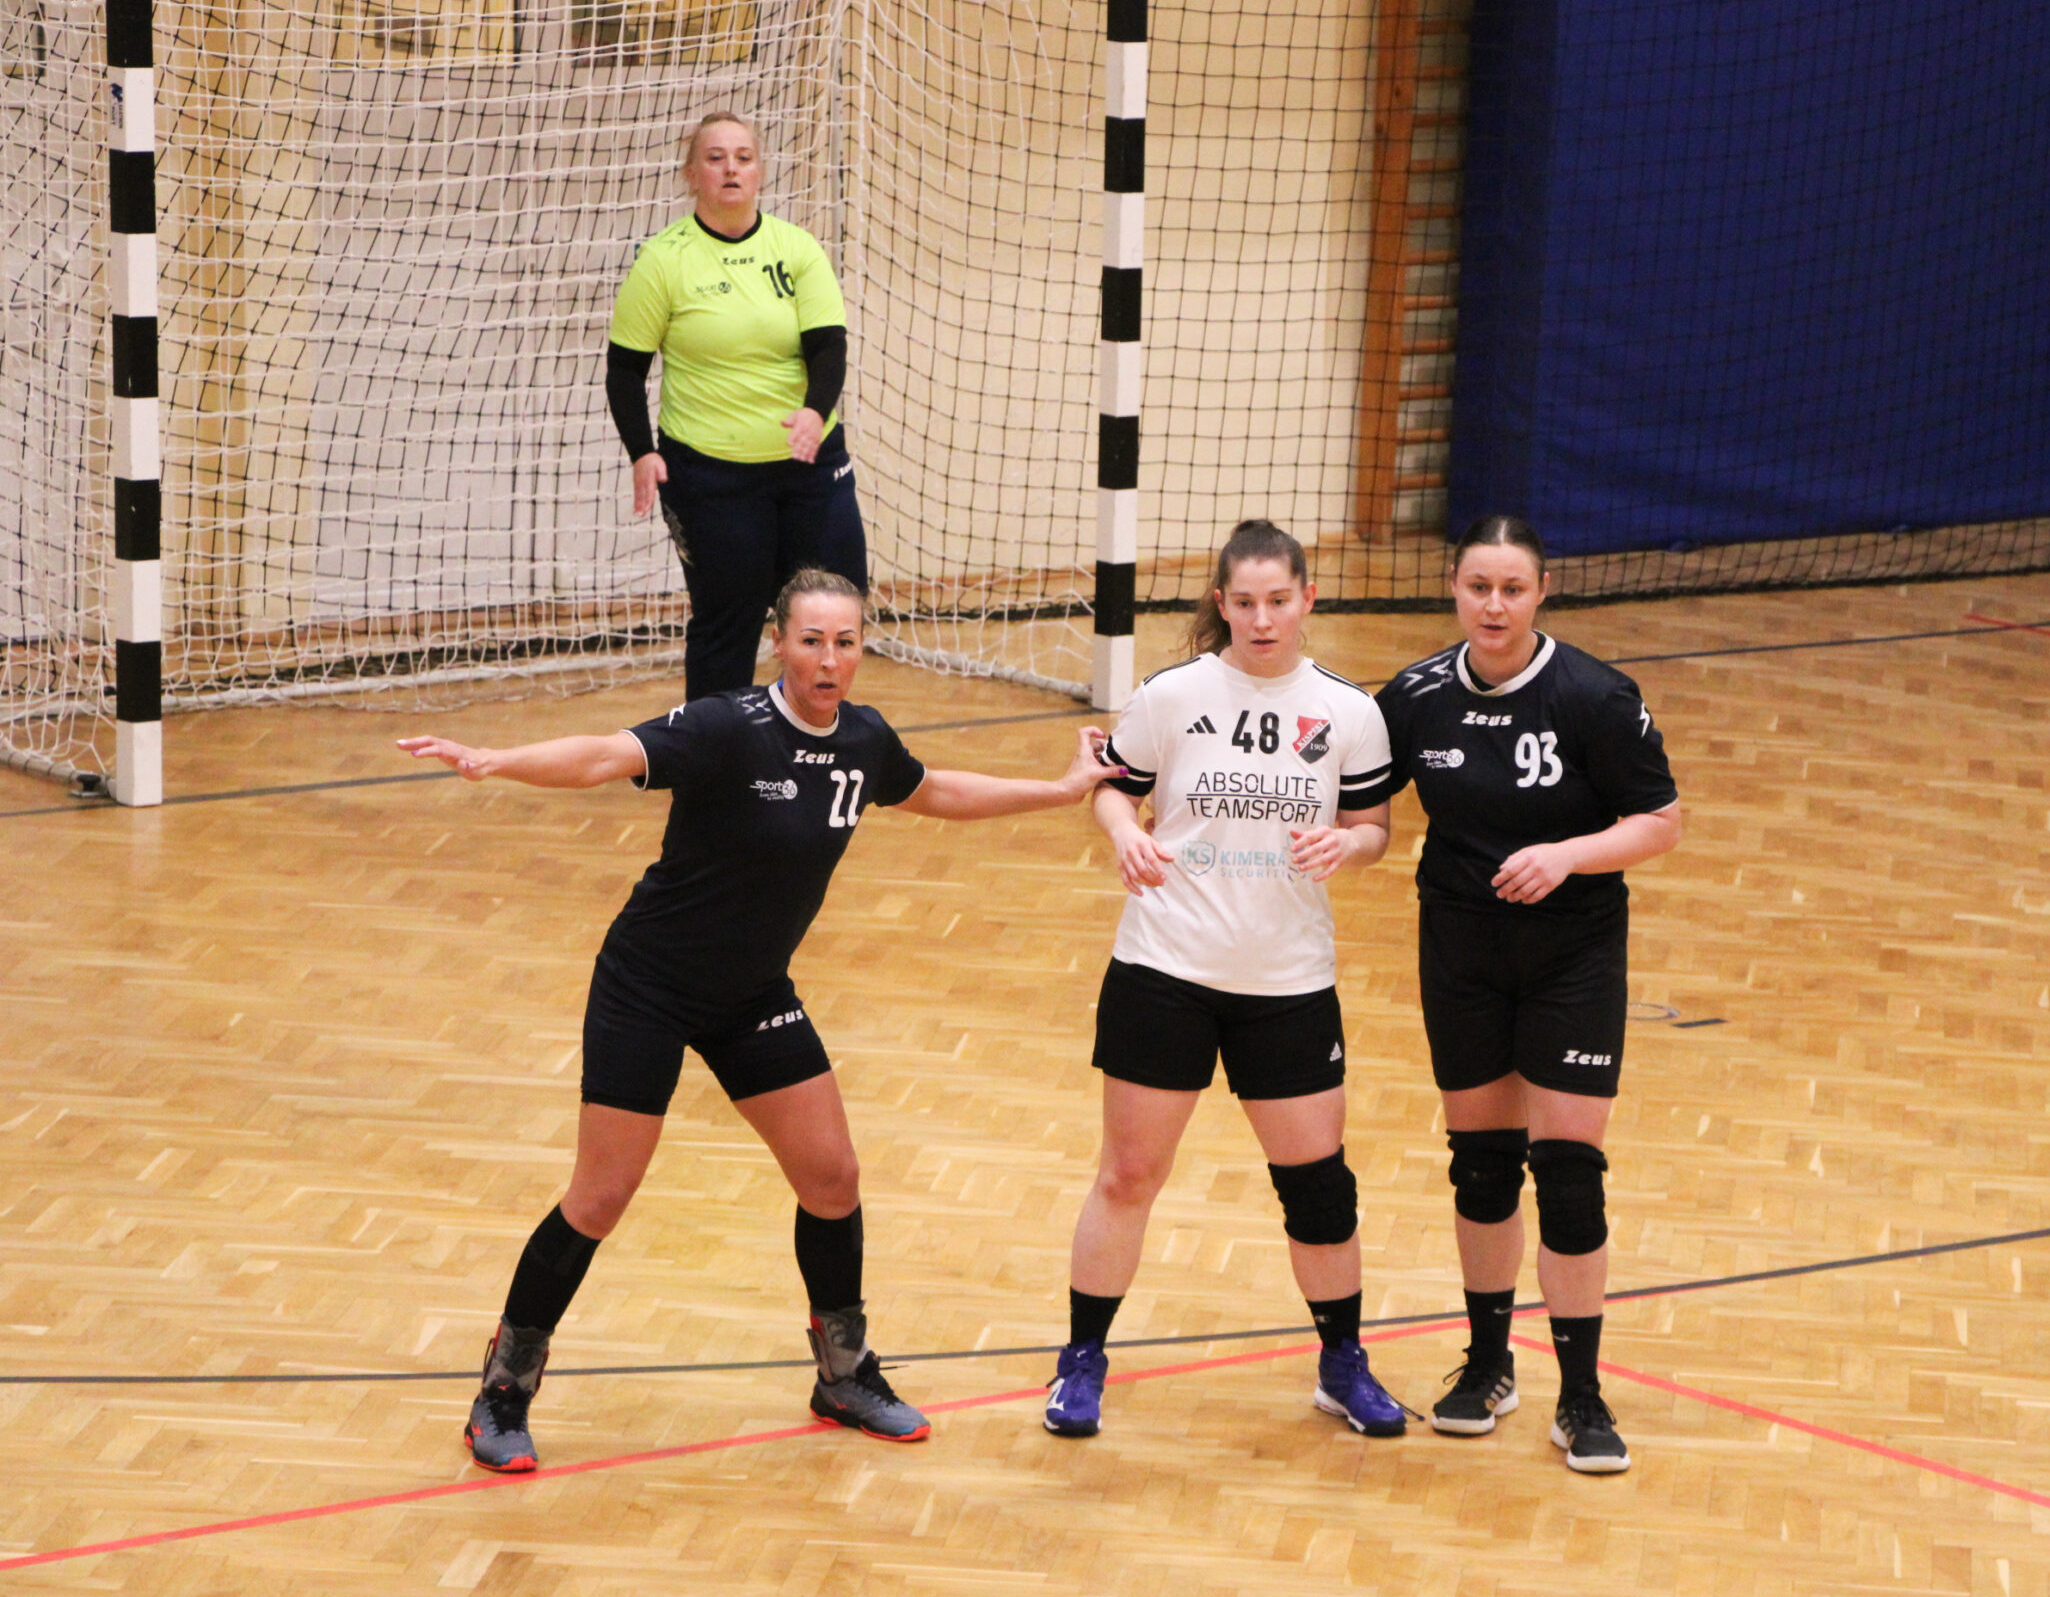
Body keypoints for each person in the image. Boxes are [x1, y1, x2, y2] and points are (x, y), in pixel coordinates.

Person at [397, 567, 1120, 1473]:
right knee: (600, 1194)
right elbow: (603, 755)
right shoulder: (725, 728)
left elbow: (934, 790)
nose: (829, 660)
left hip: (751, 994)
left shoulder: (863, 738)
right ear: (779, 641)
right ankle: (503, 1391)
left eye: (846, 642)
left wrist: (1060, 789)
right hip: (648, 985)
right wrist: (495, 760)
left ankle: (843, 1373)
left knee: (832, 1176)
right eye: (811, 641)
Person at [1043, 519, 1410, 1440]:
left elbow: (1374, 826)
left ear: (1307, 598)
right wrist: (1122, 832)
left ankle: (1342, 1364)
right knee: (1129, 1174)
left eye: (1279, 600)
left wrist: (1351, 846)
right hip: (1164, 969)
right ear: (1222, 603)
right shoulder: (1171, 696)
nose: (1262, 618)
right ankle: (1081, 1362)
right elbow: (1113, 786)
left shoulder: (1350, 711)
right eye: (1244, 602)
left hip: (1288, 981)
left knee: (1319, 1185)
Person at [1374, 514, 1681, 1474]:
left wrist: (1567, 856)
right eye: (1479, 586)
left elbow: (1660, 820)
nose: (1495, 605)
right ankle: (1488, 1364)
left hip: (1572, 953)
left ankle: (1581, 1393)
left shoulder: (1594, 695)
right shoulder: (1414, 697)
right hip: (1461, 950)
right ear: (1454, 588)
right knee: (1481, 1166)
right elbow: (1359, 802)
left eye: (1513, 588)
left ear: (1542, 591)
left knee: (1571, 1172)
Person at [609, 110, 867, 701]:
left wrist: (813, 411)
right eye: (716, 157)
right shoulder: (664, 260)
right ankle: (715, 749)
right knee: (729, 619)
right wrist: (642, 452)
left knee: (831, 610)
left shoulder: (796, 249)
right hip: (711, 477)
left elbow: (828, 347)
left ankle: (813, 740)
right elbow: (625, 369)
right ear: (691, 173)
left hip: (810, 469)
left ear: (760, 172)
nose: (731, 168)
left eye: (743, 158)